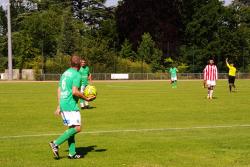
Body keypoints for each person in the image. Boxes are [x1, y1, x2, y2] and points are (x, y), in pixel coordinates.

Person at [49, 54, 95, 159]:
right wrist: (86, 98)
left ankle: (72, 153)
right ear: (79, 64)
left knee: (71, 128)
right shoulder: (76, 75)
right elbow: (75, 92)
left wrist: (59, 105)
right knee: (78, 128)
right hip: (70, 104)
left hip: (64, 103)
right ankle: (55, 143)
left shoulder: (65, 73)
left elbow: (59, 89)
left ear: (70, 63)